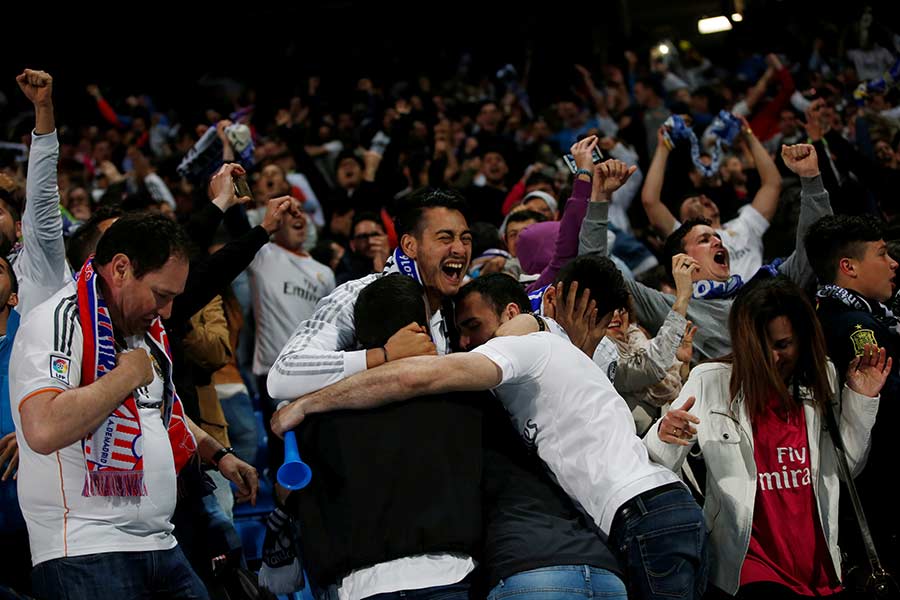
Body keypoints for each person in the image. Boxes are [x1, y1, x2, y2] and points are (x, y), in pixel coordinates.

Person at [272, 258, 709, 600]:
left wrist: (309, 402)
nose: (464, 343)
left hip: (585, 543)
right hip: (619, 544)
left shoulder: (515, 354)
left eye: (472, 327)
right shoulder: (502, 391)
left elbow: (412, 377)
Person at [10, 214, 259, 599]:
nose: (168, 312)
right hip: (85, 550)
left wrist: (218, 454)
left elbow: (159, 406)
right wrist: (125, 376)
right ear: (122, 268)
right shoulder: (57, 321)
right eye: (162, 295)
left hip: (162, 541)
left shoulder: (141, 330)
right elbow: (43, 428)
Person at [645, 276, 889, 598]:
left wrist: (861, 399)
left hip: (822, 571)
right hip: (747, 571)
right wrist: (663, 435)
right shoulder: (710, 381)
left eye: (783, 345)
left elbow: (847, 469)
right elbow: (658, 463)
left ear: (802, 339)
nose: (773, 357)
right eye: (762, 346)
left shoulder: (823, 376)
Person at [290, 274, 483, 600]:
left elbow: (307, 510)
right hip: (451, 576)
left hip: (363, 585)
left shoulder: (318, 415)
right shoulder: (463, 400)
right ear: (422, 329)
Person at [580, 143, 831, 361]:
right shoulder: (669, 307)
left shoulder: (764, 288)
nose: (717, 243)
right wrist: (600, 198)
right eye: (704, 240)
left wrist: (811, 179)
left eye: (717, 238)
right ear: (683, 259)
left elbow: (817, 249)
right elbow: (595, 272)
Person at [266, 186, 472, 400]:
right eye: (445, 238)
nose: (460, 249)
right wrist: (383, 356)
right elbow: (284, 373)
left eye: (465, 239)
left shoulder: (462, 304)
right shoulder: (354, 296)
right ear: (410, 245)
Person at [805, 214, 900, 580]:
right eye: (881, 254)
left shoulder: (831, 314)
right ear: (849, 267)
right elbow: (889, 405)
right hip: (877, 490)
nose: (893, 263)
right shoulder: (854, 326)